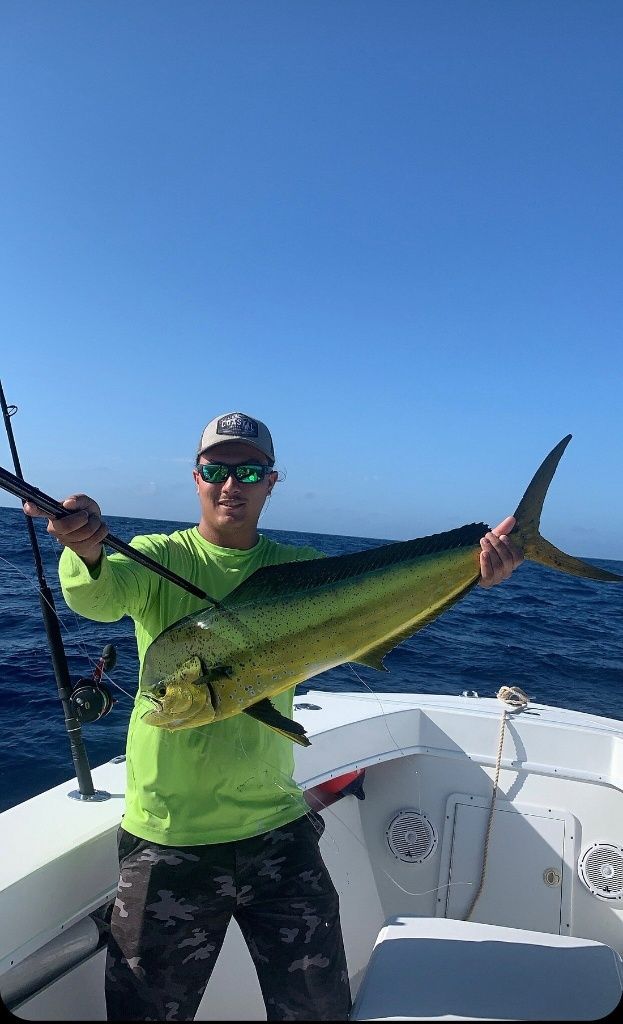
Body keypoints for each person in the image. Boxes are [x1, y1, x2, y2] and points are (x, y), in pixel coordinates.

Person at [25, 411, 523, 1021]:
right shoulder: (154, 558)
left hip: (278, 833)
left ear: (271, 482)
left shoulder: (298, 566)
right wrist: (84, 547)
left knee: (320, 1012)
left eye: (249, 471)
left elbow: (379, 607)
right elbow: (95, 596)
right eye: (216, 470)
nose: (230, 485)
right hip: (168, 840)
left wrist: (471, 573)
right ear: (196, 478)